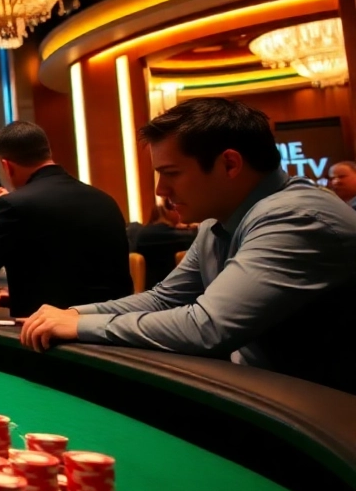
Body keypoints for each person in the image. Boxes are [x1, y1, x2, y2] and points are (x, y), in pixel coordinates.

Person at [21, 98, 356, 393]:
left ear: (229, 164)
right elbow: (164, 298)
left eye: (171, 173)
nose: (160, 190)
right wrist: (75, 313)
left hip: (328, 420)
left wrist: (79, 326)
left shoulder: (296, 216)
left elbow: (207, 327)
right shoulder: (217, 220)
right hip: (269, 394)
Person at [0, 121, 131, 318]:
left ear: (7, 166)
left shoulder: (13, 205)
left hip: (44, 338)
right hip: (108, 329)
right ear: (47, 152)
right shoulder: (106, 200)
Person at [133, 201, 195, 289]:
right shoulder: (169, 235)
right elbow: (194, 239)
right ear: (169, 212)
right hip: (167, 289)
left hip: (149, 288)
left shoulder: (143, 233)